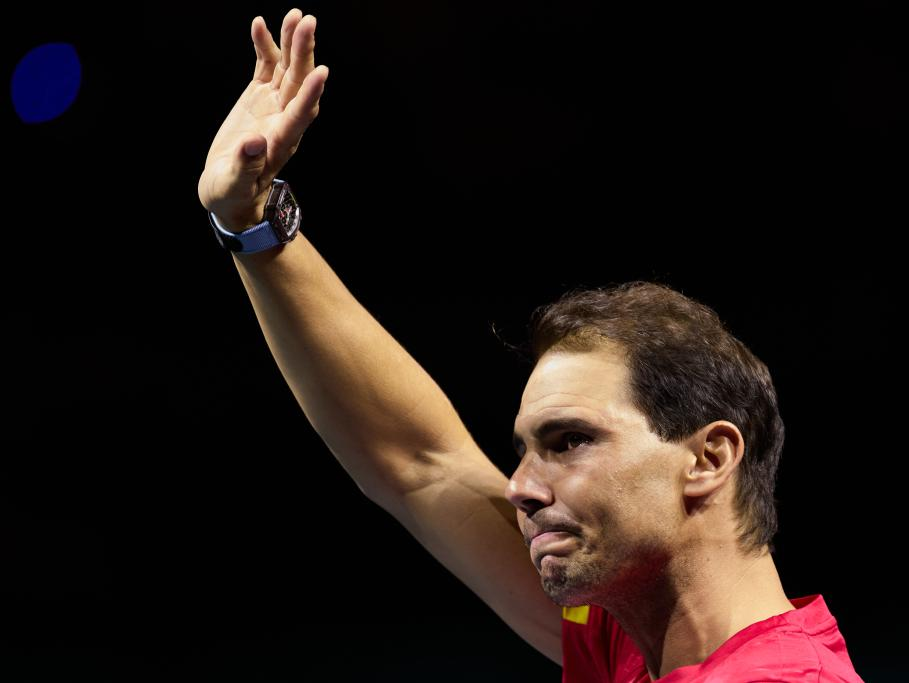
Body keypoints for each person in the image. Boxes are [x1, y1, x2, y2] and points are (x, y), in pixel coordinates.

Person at [197, 9, 865, 682]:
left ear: (708, 457)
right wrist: (248, 223)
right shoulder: (635, 636)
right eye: (525, 451)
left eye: (571, 441)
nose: (518, 487)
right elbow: (420, 463)